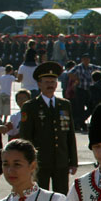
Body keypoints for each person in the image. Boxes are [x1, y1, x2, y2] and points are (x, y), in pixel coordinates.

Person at [18, 62, 78, 194]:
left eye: (53, 81)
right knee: (40, 196)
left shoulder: (64, 105)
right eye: (46, 82)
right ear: (39, 84)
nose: (50, 85)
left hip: (61, 160)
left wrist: (73, 160)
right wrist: (28, 162)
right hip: (40, 162)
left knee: (61, 196)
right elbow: (26, 137)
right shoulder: (30, 106)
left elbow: (69, 134)